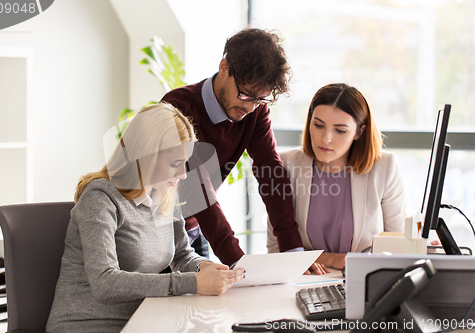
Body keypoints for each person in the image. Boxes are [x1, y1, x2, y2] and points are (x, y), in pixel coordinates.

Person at [46, 103, 245, 333]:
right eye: (174, 165)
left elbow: (181, 255)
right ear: (144, 156)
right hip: (87, 325)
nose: (182, 175)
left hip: (143, 321)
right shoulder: (100, 198)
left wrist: (207, 268)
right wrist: (193, 283)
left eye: (184, 164)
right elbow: (105, 282)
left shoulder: (164, 194)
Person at [161, 27, 304, 266]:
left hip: (196, 231)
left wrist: (293, 251)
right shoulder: (178, 107)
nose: (250, 107)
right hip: (159, 235)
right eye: (246, 94)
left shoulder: (256, 112)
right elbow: (197, 188)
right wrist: (239, 263)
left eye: (260, 99)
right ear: (224, 68)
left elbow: (270, 172)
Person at [266, 83, 407, 274]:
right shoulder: (287, 166)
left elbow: (398, 247)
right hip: (305, 284)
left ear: (359, 131)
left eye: (340, 130)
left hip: (364, 281)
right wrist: (330, 258)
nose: (326, 139)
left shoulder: (384, 168)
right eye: (318, 125)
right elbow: (276, 249)